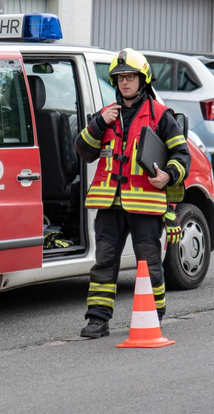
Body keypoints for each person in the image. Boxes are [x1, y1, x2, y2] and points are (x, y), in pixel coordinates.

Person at [75, 48, 190, 338]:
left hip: (146, 204)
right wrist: (99, 123)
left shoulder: (161, 116)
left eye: (130, 77)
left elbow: (182, 154)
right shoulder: (105, 116)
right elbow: (82, 150)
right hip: (109, 203)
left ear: (143, 79)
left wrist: (169, 174)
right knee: (104, 262)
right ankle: (97, 319)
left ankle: (153, 315)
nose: (124, 82)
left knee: (149, 262)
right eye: (119, 78)